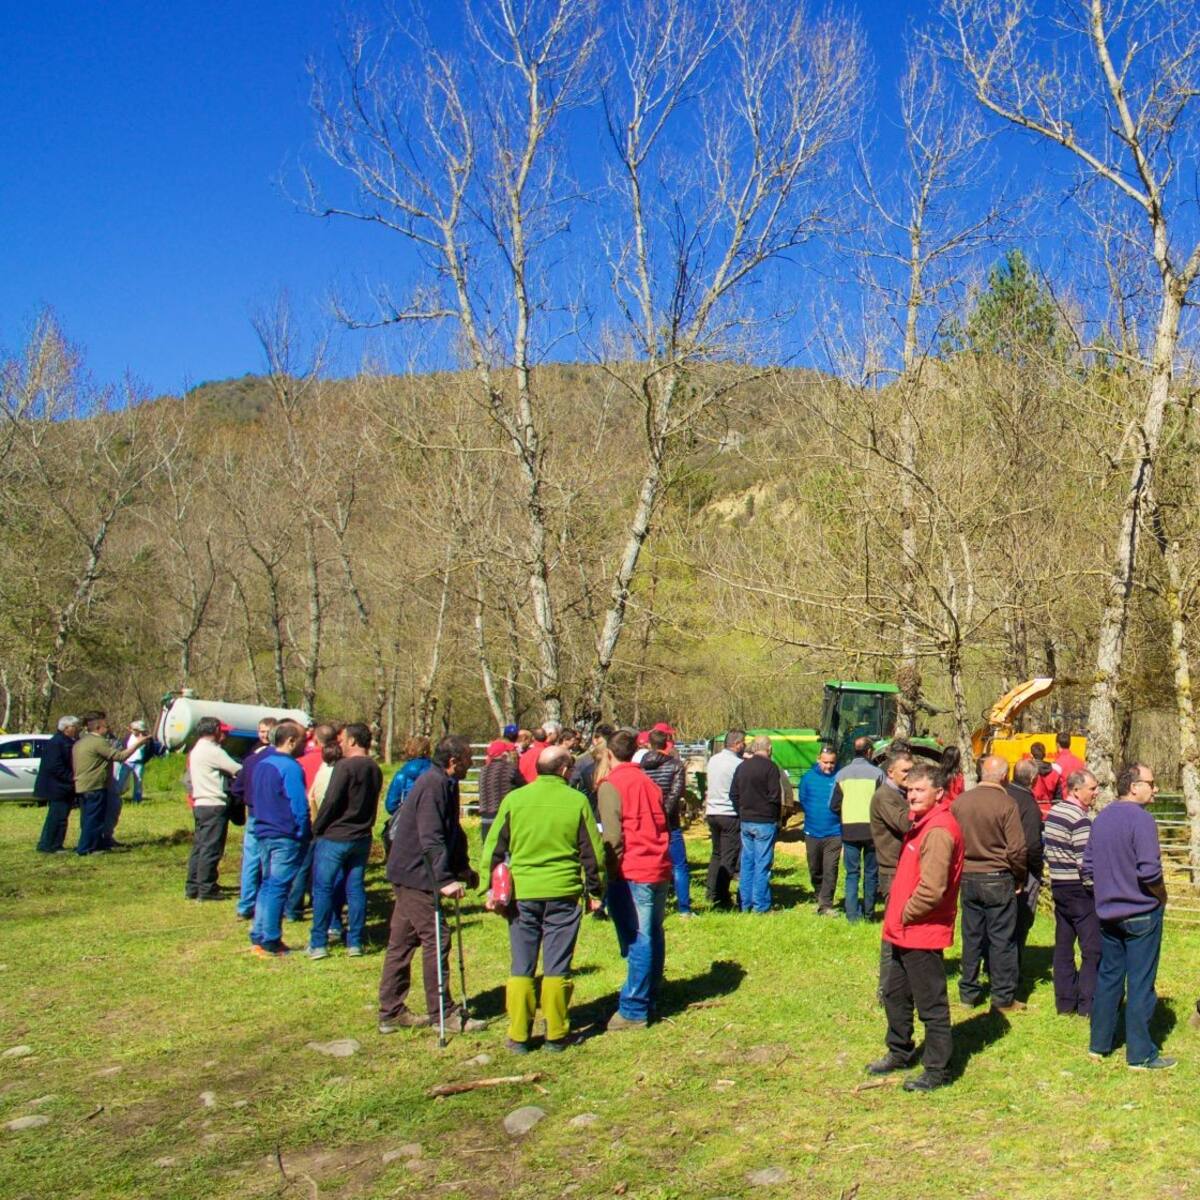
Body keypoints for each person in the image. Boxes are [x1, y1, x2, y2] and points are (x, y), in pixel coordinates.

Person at [482, 745, 606, 1052]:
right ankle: (556, 1033)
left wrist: (491, 888)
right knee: (557, 964)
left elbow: (493, 849)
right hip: (563, 892)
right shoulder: (576, 801)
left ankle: (519, 1035)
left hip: (522, 893)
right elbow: (593, 852)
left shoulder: (515, 800)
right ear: (564, 770)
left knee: (521, 964)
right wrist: (596, 891)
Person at [866, 762, 964, 1092]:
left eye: (920, 790)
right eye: (909, 790)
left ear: (939, 793)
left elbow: (933, 888)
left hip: (920, 931)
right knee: (895, 993)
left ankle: (937, 1069)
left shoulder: (938, 829)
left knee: (931, 1003)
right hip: (901, 930)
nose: (912, 796)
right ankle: (900, 1050)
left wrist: (906, 913)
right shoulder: (920, 824)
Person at [378, 735, 484, 1033]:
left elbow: (453, 830)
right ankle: (443, 1013)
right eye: (467, 761)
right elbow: (431, 836)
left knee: (402, 941)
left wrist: (462, 867)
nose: (469, 766)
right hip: (415, 874)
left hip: (415, 872)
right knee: (437, 937)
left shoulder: (445, 784)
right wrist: (444, 880)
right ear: (453, 762)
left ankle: (391, 1011)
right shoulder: (432, 784)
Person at [1084, 762, 1173, 1069]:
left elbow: (1089, 866)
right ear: (1134, 786)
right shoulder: (1142, 820)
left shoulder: (1102, 817)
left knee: (1109, 977)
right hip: (1140, 913)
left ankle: (1099, 1044)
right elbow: (1149, 870)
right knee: (1140, 982)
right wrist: (1161, 896)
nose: (1156, 788)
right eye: (1151, 782)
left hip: (1109, 913)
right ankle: (1140, 1054)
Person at [598, 729, 672, 1030]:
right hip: (658, 865)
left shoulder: (611, 785)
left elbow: (612, 837)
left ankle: (633, 1007)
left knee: (639, 937)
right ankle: (649, 992)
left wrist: (608, 873)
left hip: (633, 869)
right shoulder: (649, 783)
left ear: (609, 753)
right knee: (653, 932)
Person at [952, 754, 1028, 1015]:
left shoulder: (961, 802)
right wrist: (1019, 876)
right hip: (998, 877)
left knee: (971, 936)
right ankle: (1003, 997)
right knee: (1002, 940)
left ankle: (968, 993)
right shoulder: (1007, 804)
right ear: (1005, 777)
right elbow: (1017, 849)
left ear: (982, 773)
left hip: (968, 876)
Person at [309, 723, 383, 959]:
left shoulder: (344, 766)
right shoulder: (374, 768)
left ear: (352, 741)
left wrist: (317, 827)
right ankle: (356, 942)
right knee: (355, 888)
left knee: (322, 887)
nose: (339, 743)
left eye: (342, 739)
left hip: (336, 836)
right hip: (361, 836)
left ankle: (319, 942)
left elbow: (331, 801)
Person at [248, 721, 311, 957]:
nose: (305, 744)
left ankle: (259, 933)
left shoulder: (261, 764)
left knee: (267, 883)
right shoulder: (291, 767)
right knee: (278, 886)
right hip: (285, 833)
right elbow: (298, 804)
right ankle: (271, 939)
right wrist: (303, 831)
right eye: (303, 740)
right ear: (291, 741)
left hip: (263, 830)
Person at [1043, 768, 1101, 1017]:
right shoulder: (1080, 820)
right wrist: (1095, 890)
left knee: (1064, 946)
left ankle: (1065, 1001)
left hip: (1059, 884)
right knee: (1092, 950)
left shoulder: (1055, 812)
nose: (1096, 793)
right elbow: (1084, 863)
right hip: (1079, 891)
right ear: (1076, 790)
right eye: (1092, 788)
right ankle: (1088, 1004)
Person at [74, 713, 149, 856]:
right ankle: (86, 848)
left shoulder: (81, 742)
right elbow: (119, 756)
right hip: (95, 785)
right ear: (97, 727)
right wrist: (138, 743)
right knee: (94, 818)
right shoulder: (98, 742)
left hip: (82, 784)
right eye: (106, 727)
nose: (108, 729)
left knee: (87, 817)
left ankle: (94, 844)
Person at [287, 723, 340, 924]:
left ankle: (294, 907)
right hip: (331, 820)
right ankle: (322, 903)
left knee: (303, 863)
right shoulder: (339, 763)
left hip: (308, 814)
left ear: (315, 740)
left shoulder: (299, 762)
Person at [185, 718, 242, 900]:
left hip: (201, 802)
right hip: (214, 803)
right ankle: (207, 888)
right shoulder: (213, 751)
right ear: (216, 730)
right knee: (211, 848)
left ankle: (194, 885)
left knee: (200, 846)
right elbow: (237, 769)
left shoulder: (197, 749)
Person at [831, 736, 884, 922]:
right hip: (872, 830)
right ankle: (869, 914)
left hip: (850, 830)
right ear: (869, 752)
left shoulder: (841, 774)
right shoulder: (878, 774)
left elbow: (834, 805)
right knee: (871, 874)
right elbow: (883, 802)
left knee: (852, 874)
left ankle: (852, 916)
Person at [640, 728, 691, 917]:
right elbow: (676, 793)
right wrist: (663, 814)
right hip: (669, 821)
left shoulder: (642, 766)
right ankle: (684, 908)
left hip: (647, 819)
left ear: (649, 744)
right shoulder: (675, 765)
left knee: (649, 861)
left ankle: (650, 904)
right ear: (667, 743)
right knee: (679, 864)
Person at [230, 717, 277, 921]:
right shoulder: (276, 760)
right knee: (268, 861)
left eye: (267, 731)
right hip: (267, 814)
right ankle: (262, 904)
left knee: (251, 859)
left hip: (254, 813)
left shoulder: (250, 761)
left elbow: (237, 789)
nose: (263, 734)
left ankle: (246, 904)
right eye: (261, 731)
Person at [731, 735, 782, 914]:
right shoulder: (771, 768)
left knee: (747, 863)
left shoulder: (742, 766)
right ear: (769, 749)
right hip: (765, 821)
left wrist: (742, 811)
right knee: (762, 864)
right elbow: (775, 796)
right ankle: (761, 906)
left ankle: (745, 904)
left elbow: (733, 794)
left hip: (746, 820)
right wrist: (777, 819)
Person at [1006, 759, 1046, 978]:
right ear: (1033, 779)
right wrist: (1036, 869)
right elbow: (1031, 844)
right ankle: (1013, 969)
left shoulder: (1004, 794)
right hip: (1022, 869)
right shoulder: (1028, 804)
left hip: (1001, 866)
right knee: (1021, 920)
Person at [703, 729, 745, 910]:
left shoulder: (714, 760)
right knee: (729, 857)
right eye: (743, 743)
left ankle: (710, 891)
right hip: (729, 813)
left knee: (716, 854)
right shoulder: (737, 764)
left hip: (712, 812)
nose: (744, 746)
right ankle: (721, 897)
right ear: (736, 744)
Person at [799, 745, 841, 916]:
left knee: (830, 868)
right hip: (812, 831)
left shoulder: (840, 777)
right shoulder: (808, 778)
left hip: (835, 832)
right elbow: (803, 799)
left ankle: (826, 904)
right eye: (825, 762)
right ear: (818, 760)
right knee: (815, 868)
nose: (828, 766)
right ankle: (818, 893)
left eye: (832, 763)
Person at [35, 716, 81, 853]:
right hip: (57, 787)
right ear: (66, 728)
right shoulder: (57, 742)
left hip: (61, 786)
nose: (76, 729)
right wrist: (72, 778)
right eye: (74, 726)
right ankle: (52, 845)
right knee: (58, 818)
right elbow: (54, 766)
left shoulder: (66, 741)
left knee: (57, 817)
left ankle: (47, 843)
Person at [478, 739, 522, 846]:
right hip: (502, 816)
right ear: (504, 754)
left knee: (488, 849)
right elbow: (523, 788)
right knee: (504, 851)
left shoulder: (483, 770)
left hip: (485, 817)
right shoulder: (510, 769)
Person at [570, 723, 615, 816]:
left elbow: (572, 784)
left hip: (591, 811)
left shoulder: (582, 761)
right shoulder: (619, 761)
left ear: (595, 739)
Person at [115, 719, 149, 804]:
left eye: (135, 730)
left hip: (139, 763)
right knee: (120, 781)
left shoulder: (146, 739)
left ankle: (137, 800)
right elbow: (123, 747)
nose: (133, 731)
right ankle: (115, 798)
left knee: (138, 782)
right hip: (127, 762)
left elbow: (149, 751)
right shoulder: (128, 737)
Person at [1028, 742, 1063, 816]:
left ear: (1031, 755)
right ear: (1044, 755)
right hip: (1048, 812)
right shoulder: (1055, 772)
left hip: (1030, 810)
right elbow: (1058, 798)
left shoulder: (1027, 771)